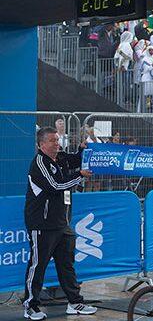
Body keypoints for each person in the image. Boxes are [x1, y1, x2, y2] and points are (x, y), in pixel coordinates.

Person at [23, 127, 97, 320]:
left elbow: (75, 160)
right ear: (41, 144)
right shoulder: (39, 163)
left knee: (67, 265)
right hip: (42, 224)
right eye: (52, 141)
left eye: (57, 140)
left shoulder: (60, 158)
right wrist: (80, 175)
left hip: (62, 224)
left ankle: (74, 302)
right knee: (38, 266)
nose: (57, 143)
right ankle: (30, 305)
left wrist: (82, 150)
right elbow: (56, 186)